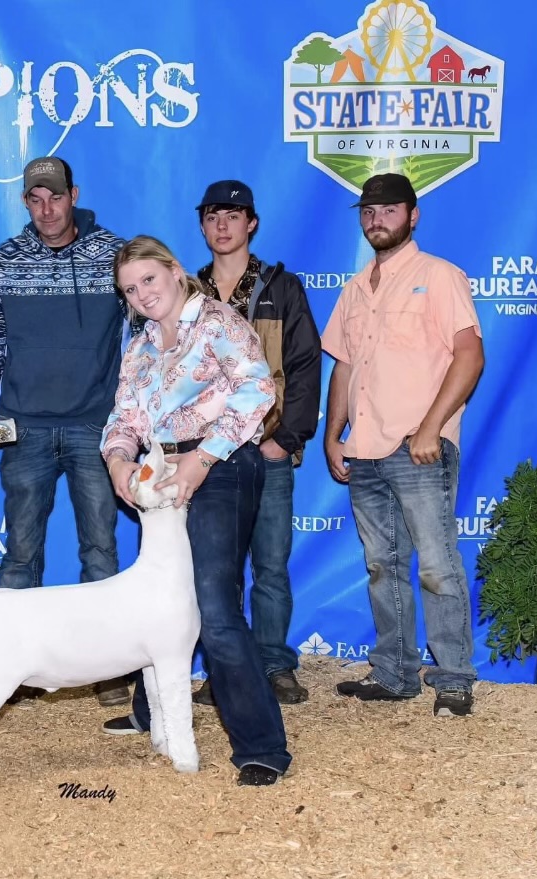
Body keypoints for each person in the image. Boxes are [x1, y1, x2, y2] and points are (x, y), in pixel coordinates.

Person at [98, 235, 291, 787]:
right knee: (160, 600)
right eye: (130, 289)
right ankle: (152, 711)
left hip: (222, 465)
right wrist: (117, 460)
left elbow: (257, 392)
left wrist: (202, 460)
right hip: (161, 473)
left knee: (214, 606)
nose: (142, 294)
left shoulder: (219, 323)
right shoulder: (139, 346)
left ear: (175, 270)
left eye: (148, 280)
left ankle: (262, 747)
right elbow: (124, 416)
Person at [0, 156, 132, 707]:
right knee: (20, 553)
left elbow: (150, 330)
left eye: (56, 197)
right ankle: (3, 672)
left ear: (73, 195)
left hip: (94, 426)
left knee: (100, 552)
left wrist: (138, 410)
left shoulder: (114, 256)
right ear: (25, 202)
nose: (47, 209)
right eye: (36, 199)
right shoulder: (4, 261)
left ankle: (108, 670)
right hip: (23, 427)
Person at [322, 173, 484, 718]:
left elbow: (470, 355)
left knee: (436, 564)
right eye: (368, 212)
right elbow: (345, 366)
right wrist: (334, 434)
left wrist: (431, 428)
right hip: (365, 448)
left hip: (419, 448)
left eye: (389, 210)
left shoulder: (439, 276)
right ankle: (394, 672)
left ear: (412, 216)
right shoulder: (354, 289)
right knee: (382, 566)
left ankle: (454, 678)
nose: (377, 219)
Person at [192, 180, 322, 705]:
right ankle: (225, 669)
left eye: (232, 215)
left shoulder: (282, 288)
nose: (222, 225)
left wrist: (286, 439)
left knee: (270, 565)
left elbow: (305, 365)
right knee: (216, 570)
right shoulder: (187, 291)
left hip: (266, 449)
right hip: (208, 456)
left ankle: (273, 663)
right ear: (203, 226)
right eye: (212, 216)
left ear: (252, 223)